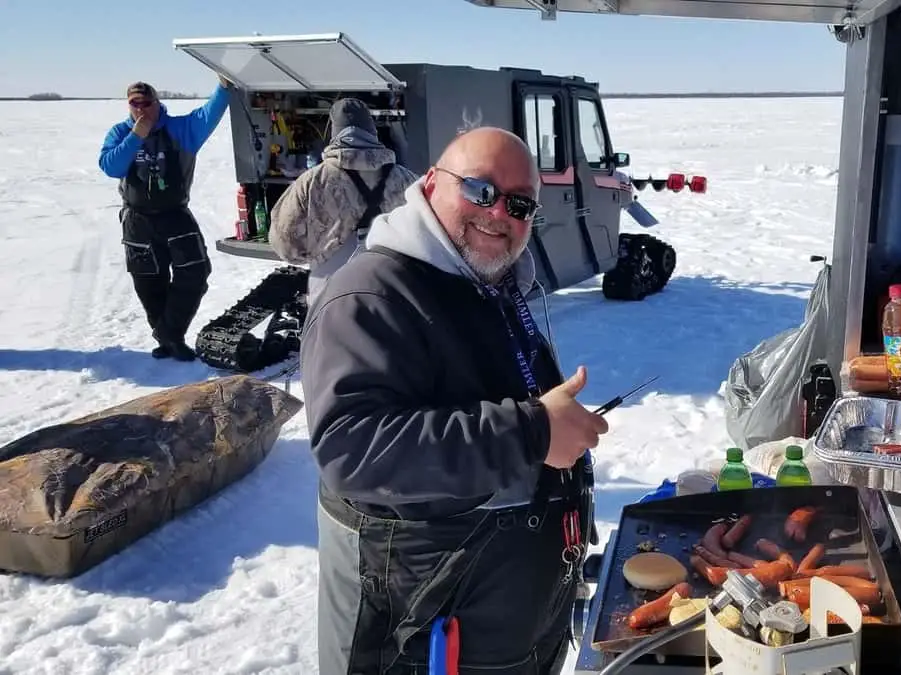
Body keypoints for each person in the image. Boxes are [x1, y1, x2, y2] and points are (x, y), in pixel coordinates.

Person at [301, 126, 609, 674]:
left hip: (502, 619)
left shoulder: (488, 282)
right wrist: (533, 432)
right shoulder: (370, 296)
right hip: (421, 633)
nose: (499, 213)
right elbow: (354, 449)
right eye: (480, 190)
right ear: (428, 184)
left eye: (520, 204)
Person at [98, 79, 232, 361]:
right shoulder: (121, 132)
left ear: (158, 102)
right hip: (137, 219)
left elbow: (210, 112)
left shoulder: (180, 129)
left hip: (175, 213)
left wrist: (223, 86)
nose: (142, 109)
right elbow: (111, 167)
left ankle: (169, 333)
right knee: (148, 283)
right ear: (128, 105)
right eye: (135, 104)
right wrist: (136, 136)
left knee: (195, 272)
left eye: (147, 103)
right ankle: (170, 340)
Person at [268, 98, 417, 303]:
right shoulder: (407, 179)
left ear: (334, 134)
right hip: (394, 295)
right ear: (372, 132)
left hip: (332, 301)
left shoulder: (312, 182)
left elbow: (284, 244)